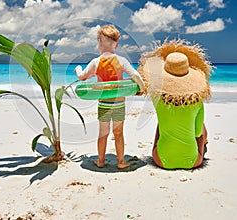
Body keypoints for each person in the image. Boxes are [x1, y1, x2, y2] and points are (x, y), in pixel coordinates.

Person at [74, 24, 145, 169]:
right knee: (118, 133)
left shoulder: (96, 62)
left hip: (104, 104)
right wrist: (141, 89)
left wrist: (78, 68)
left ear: (99, 42)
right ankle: (121, 162)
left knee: (103, 134)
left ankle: (100, 161)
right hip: (119, 104)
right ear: (116, 44)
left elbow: (82, 77)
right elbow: (135, 75)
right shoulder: (121, 61)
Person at [138, 39, 212, 169]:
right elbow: (197, 134)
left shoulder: (158, 99)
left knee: (162, 123)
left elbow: (146, 88)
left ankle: (164, 149)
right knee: (200, 129)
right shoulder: (197, 102)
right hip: (192, 161)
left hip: (161, 160)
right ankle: (201, 148)